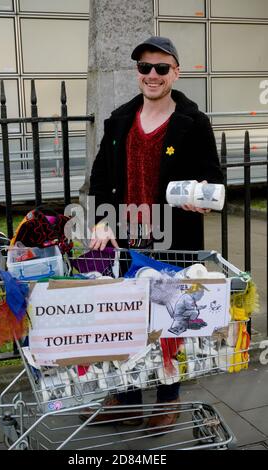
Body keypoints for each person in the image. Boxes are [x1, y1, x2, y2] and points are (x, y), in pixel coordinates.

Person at [84, 36, 223, 431]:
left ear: (175, 72)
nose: (152, 75)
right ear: (138, 73)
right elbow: (100, 178)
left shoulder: (193, 122)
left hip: (173, 240)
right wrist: (101, 220)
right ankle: (126, 397)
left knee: (170, 319)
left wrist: (201, 197)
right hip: (126, 238)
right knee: (125, 319)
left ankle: (168, 398)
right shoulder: (119, 119)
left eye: (161, 68)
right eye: (145, 68)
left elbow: (212, 177)